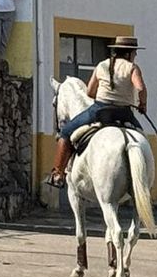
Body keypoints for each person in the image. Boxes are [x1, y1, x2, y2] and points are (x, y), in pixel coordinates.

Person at [47, 36, 146, 187]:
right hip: (124, 112)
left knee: (65, 132)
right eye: (135, 53)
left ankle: (57, 173)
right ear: (129, 53)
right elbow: (140, 88)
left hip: (100, 110)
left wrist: (102, 95)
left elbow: (89, 92)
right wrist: (142, 104)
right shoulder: (132, 68)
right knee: (141, 136)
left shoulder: (101, 66)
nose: (135, 56)